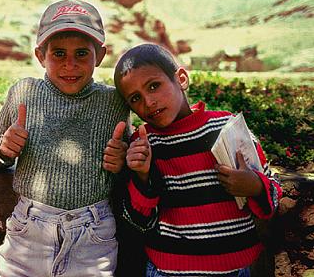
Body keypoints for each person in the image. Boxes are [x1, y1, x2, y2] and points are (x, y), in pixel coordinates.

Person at [0, 0, 130, 276]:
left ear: (99, 55)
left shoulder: (114, 103)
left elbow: (127, 167)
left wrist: (122, 163)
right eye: (59, 54)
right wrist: (4, 149)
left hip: (93, 237)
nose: (70, 65)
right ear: (41, 56)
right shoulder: (24, 93)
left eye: (82, 54)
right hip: (28, 234)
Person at [113, 44, 282, 276]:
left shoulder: (225, 128)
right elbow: (138, 220)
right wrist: (142, 175)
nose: (148, 102)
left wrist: (253, 185)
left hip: (234, 268)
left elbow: (272, 192)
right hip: (169, 270)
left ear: (181, 79)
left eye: (154, 86)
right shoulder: (143, 145)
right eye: (135, 98)